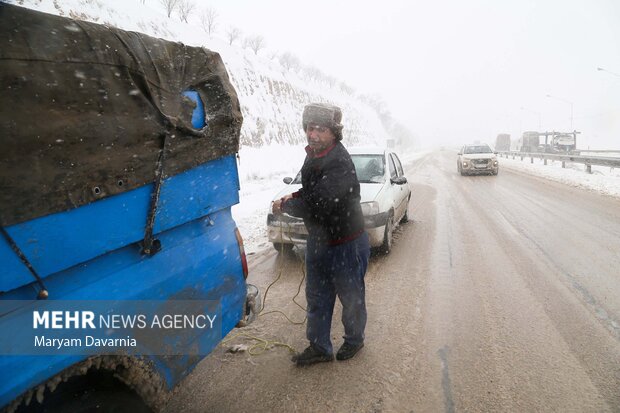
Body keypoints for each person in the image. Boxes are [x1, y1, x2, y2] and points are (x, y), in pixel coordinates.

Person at [272, 103, 370, 366]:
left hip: (346, 243)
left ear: (334, 133)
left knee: (351, 297)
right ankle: (319, 347)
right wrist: (292, 195)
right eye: (310, 128)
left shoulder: (339, 161)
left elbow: (320, 203)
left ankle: (354, 339)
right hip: (320, 242)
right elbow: (311, 189)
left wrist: (286, 206)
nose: (313, 134)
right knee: (316, 296)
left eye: (320, 129)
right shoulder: (313, 155)